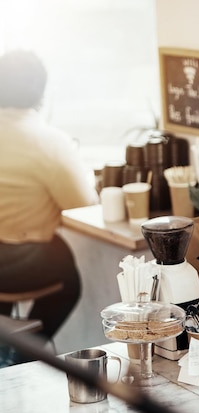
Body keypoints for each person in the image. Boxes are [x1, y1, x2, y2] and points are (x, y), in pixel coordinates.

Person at [0, 50, 99, 346]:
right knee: (68, 279)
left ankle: (8, 349)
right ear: (40, 93)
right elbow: (84, 206)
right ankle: (27, 350)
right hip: (23, 264)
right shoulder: (47, 141)